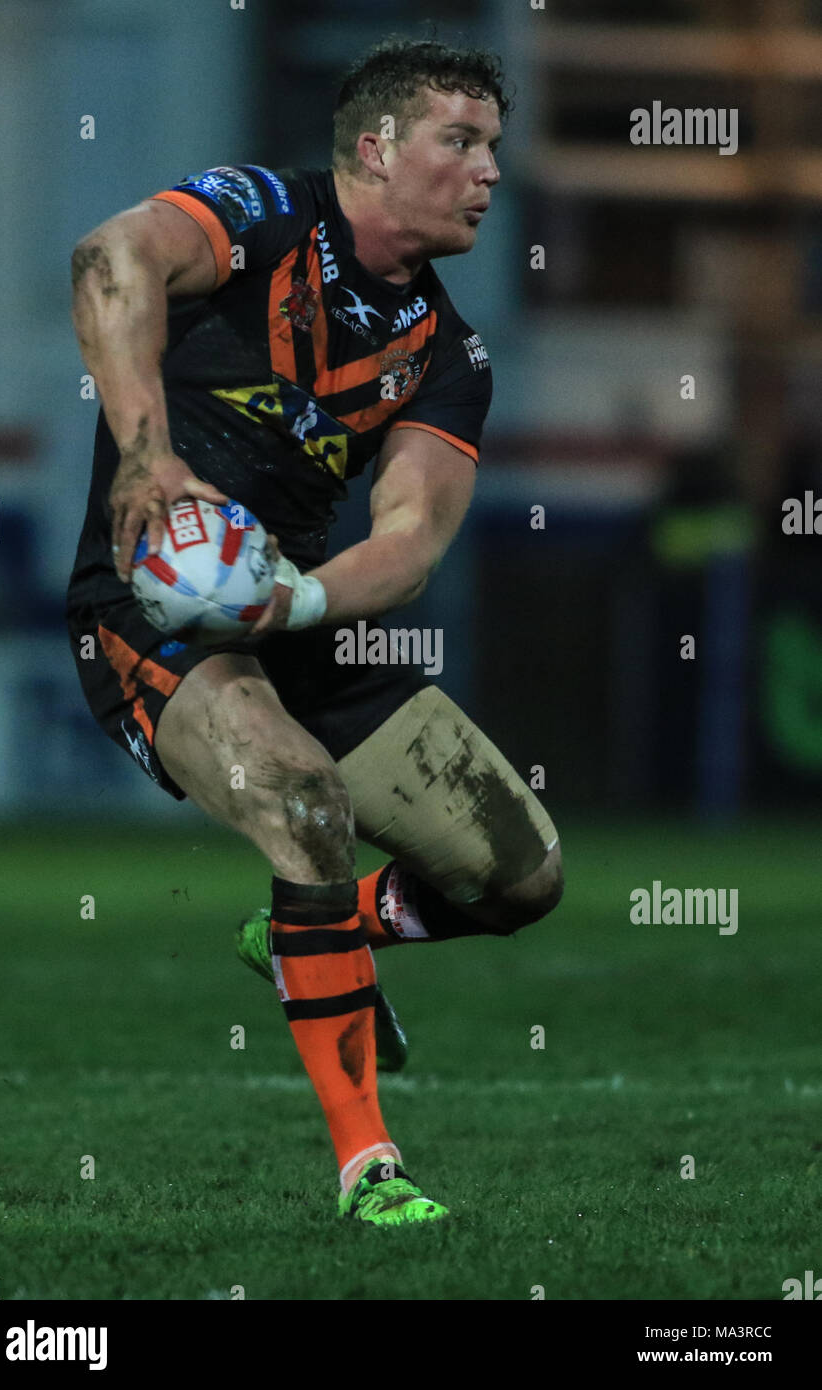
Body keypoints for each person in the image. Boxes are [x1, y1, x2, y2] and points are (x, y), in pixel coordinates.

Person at [67, 38, 563, 1227]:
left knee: (521, 876)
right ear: (378, 148)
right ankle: (369, 1170)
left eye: (492, 144)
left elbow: (410, 541)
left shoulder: (448, 354)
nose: (491, 170)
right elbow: (109, 255)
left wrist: (293, 601)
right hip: (145, 611)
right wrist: (146, 453)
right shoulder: (262, 215)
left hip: (284, 615)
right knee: (299, 799)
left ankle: (301, 931)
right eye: (463, 141)